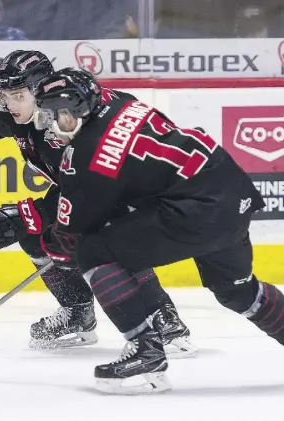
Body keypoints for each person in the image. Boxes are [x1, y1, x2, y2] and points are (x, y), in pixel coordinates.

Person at [0, 50, 195, 358]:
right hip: (93, 189)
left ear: (40, 90)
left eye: (18, 95)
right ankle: (78, 313)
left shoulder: (76, 115)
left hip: (148, 189)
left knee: (106, 236)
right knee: (37, 234)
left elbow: (93, 193)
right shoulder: (10, 110)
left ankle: (163, 317)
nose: (9, 104)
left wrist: (29, 214)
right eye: (4, 94)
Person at [31, 68, 284, 394]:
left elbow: (68, 241)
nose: (53, 126)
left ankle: (146, 354)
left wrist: (54, 248)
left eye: (60, 116)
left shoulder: (85, 155)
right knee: (238, 291)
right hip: (230, 189)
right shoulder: (122, 102)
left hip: (195, 210)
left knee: (92, 251)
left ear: (79, 110)